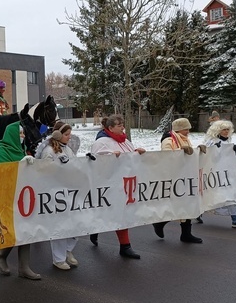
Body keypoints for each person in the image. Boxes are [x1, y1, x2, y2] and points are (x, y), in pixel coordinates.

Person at [89, 115, 145, 259]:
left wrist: (137, 153)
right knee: (109, 213)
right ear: (110, 128)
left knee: (122, 214)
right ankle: (95, 230)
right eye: (119, 125)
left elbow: (129, 160)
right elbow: (95, 161)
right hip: (109, 184)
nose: (122, 127)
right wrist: (109, 156)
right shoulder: (102, 142)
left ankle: (124, 246)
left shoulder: (126, 141)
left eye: (122, 124)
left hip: (125, 183)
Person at [0, 121, 41, 280]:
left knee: (26, 230)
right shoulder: (2, 151)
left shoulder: (22, 150)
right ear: (12, 134)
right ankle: (1, 254)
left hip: (24, 197)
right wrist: (18, 166)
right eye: (19, 134)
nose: (22, 136)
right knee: (14, 231)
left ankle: (24, 267)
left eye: (23, 134)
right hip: (8, 197)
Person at [35, 123, 82, 270]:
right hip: (55, 193)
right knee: (60, 227)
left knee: (79, 223)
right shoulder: (49, 150)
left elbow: (75, 166)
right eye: (66, 134)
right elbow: (44, 172)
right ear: (58, 134)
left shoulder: (67, 149)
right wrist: (58, 166)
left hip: (70, 191)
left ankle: (67, 250)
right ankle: (59, 258)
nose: (69, 137)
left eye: (70, 134)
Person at [151, 118, 204, 243]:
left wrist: (198, 151)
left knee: (187, 204)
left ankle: (186, 234)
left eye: (188, 128)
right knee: (176, 205)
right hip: (173, 178)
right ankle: (160, 223)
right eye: (186, 129)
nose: (188, 131)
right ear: (178, 129)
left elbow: (189, 156)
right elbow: (166, 157)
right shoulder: (168, 140)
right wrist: (181, 152)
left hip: (184, 176)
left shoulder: (184, 139)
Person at [203, 120, 236, 229]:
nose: (226, 132)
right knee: (209, 195)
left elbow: (227, 159)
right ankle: (197, 213)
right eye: (223, 129)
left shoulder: (227, 142)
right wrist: (217, 149)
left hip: (226, 175)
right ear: (217, 130)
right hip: (215, 175)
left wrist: (233, 151)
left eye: (227, 130)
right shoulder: (212, 142)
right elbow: (210, 158)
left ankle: (235, 219)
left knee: (230, 195)